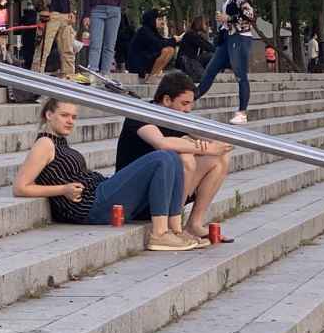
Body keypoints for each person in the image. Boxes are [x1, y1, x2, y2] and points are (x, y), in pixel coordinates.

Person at [12, 97, 199, 251]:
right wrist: (63, 189)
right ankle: (159, 234)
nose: (70, 121)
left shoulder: (59, 142)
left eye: (74, 117)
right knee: (161, 158)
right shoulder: (44, 144)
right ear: (49, 115)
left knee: (172, 157)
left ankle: (175, 229)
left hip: (99, 192)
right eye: (64, 116)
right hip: (91, 205)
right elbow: (21, 187)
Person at [114, 71, 233, 242]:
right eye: (184, 104)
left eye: (190, 105)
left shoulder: (179, 117)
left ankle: (194, 223)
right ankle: (173, 228)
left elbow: (216, 139)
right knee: (185, 158)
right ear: (167, 100)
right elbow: (161, 143)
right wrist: (205, 148)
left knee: (221, 159)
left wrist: (219, 143)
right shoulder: (140, 115)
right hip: (137, 199)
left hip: (163, 191)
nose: (187, 110)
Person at [196, 0, 257, 124]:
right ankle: (192, 98)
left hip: (239, 38)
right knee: (210, 70)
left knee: (240, 75)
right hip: (227, 39)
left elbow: (249, 15)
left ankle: (242, 112)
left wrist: (228, 18)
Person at [126, 8, 178, 82]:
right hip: (138, 64)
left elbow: (162, 41)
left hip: (146, 60)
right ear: (152, 20)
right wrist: (173, 40)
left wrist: (175, 40)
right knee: (167, 50)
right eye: (159, 19)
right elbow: (159, 44)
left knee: (170, 50)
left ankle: (154, 75)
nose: (162, 22)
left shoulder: (152, 31)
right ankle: (151, 77)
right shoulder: (144, 31)